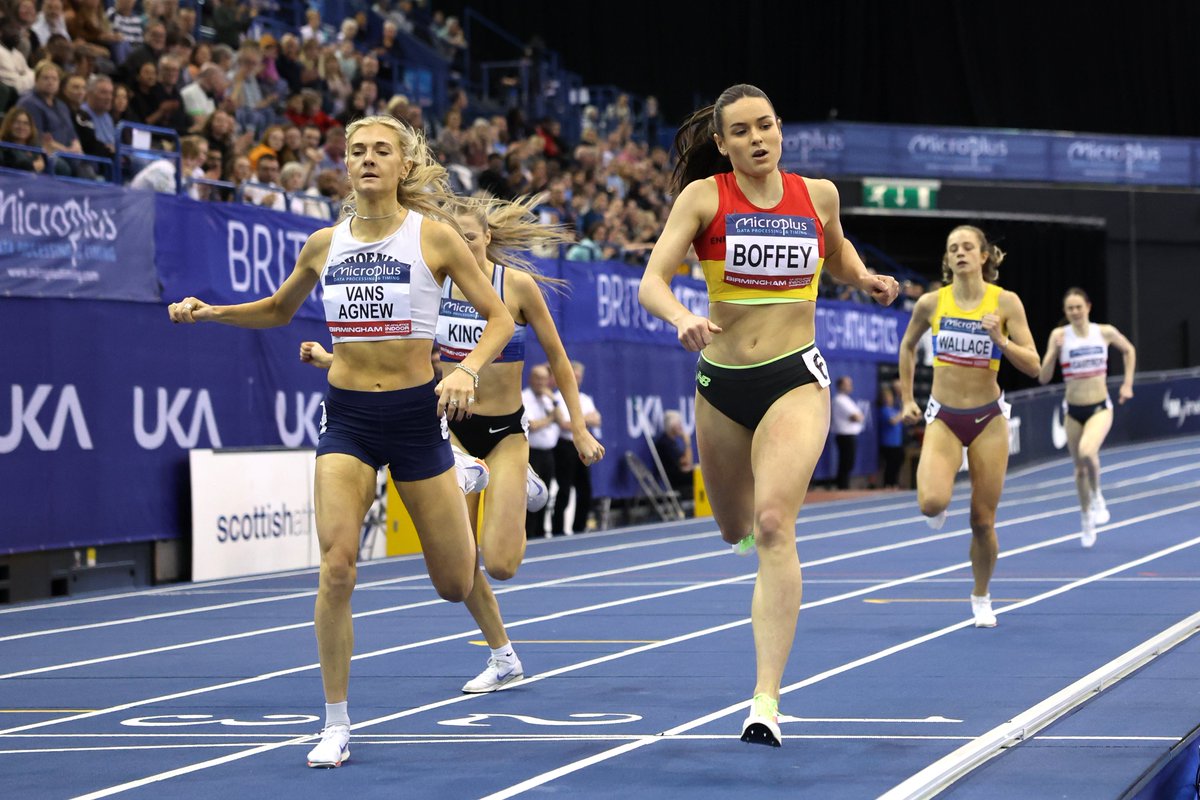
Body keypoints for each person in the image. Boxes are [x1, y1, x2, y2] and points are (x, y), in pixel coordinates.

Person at [167, 115, 515, 769]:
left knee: (451, 581)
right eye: (357, 151)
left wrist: (466, 370)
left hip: (415, 417)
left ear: (403, 166)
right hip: (348, 418)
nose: (368, 159)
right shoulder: (324, 243)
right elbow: (277, 309)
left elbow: (498, 319)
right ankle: (335, 722)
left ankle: (461, 472)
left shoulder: (433, 237)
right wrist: (212, 312)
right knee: (336, 566)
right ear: (346, 165)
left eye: (382, 150)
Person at [637, 83, 899, 747]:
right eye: (742, 131)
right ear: (722, 143)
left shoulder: (818, 195)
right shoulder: (704, 198)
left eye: (766, 126)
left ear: (780, 128)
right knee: (735, 528)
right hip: (722, 383)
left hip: (794, 377)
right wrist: (682, 316)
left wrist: (864, 277)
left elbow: (836, 250)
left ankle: (765, 701)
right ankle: (752, 535)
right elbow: (651, 283)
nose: (757, 139)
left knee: (774, 524)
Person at [304, 193, 602, 695]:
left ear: (487, 238)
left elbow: (557, 358)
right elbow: (395, 353)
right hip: (449, 430)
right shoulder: (432, 282)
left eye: (470, 238)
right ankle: (503, 657)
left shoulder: (515, 287)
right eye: (455, 238)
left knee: (501, 564)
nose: (461, 246)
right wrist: (331, 359)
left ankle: (518, 479)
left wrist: (580, 427)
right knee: (462, 566)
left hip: (504, 434)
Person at [897, 225, 1040, 628]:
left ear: (983, 256)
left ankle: (981, 595)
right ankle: (938, 500)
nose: (960, 253)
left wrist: (1001, 340)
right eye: (952, 248)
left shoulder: (1005, 302)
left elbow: (1034, 364)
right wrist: (907, 398)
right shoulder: (931, 302)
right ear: (947, 259)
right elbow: (907, 345)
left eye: (967, 247)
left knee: (982, 520)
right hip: (943, 416)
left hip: (988, 419)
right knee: (931, 504)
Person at [1037, 287, 1136, 547]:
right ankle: (1086, 518)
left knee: (1087, 451)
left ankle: (1098, 496)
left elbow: (1129, 350)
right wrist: (1053, 353)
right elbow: (1043, 377)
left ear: (1088, 307)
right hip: (1073, 410)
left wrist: (1127, 384)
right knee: (1080, 468)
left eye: (1079, 307)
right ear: (1065, 311)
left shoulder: (1104, 332)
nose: (1075, 312)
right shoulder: (1059, 335)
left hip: (1099, 408)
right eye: (1070, 308)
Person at [550, 359, 602, 535]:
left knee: (585, 488)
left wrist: (579, 422)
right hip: (565, 446)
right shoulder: (557, 398)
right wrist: (584, 420)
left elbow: (597, 419)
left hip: (583, 446)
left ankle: (579, 526)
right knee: (564, 489)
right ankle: (557, 529)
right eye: (574, 376)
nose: (577, 380)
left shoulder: (585, 399)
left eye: (579, 377)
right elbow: (565, 424)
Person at [523, 363, 560, 538]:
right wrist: (552, 417)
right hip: (532, 453)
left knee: (546, 492)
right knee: (531, 494)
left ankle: (541, 531)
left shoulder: (548, 398)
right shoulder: (524, 397)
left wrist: (553, 402)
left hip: (548, 453)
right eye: (537, 378)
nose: (540, 382)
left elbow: (561, 419)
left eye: (544, 379)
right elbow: (533, 425)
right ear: (531, 379)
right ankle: (528, 532)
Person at [831, 375, 864, 490]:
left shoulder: (846, 399)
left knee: (848, 463)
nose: (850, 386)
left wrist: (858, 417)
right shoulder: (839, 400)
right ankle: (842, 487)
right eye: (847, 384)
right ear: (840, 386)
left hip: (849, 435)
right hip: (845, 435)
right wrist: (857, 417)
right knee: (846, 462)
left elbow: (859, 416)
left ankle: (843, 486)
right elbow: (856, 417)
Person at [654, 409, 694, 499]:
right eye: (679, 424)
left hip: (678, 475)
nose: (681, 427)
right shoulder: (665, 443)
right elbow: (687, 462)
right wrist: (687, 443)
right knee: (699, 475)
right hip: (675, 479)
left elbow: (687, 464)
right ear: (671, 426)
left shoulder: (671, 442)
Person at [877, 382, 905, 489]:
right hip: (888, 442)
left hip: (897, 442)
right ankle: (888, 484)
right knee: (890, 464)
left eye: (889, 397)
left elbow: (903, 420)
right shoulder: (883, 410)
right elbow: (893, 421)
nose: (888, 399)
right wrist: (902, 413)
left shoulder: (894, 409)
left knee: (897, 463)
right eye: (886, 397)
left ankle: (894, 483)